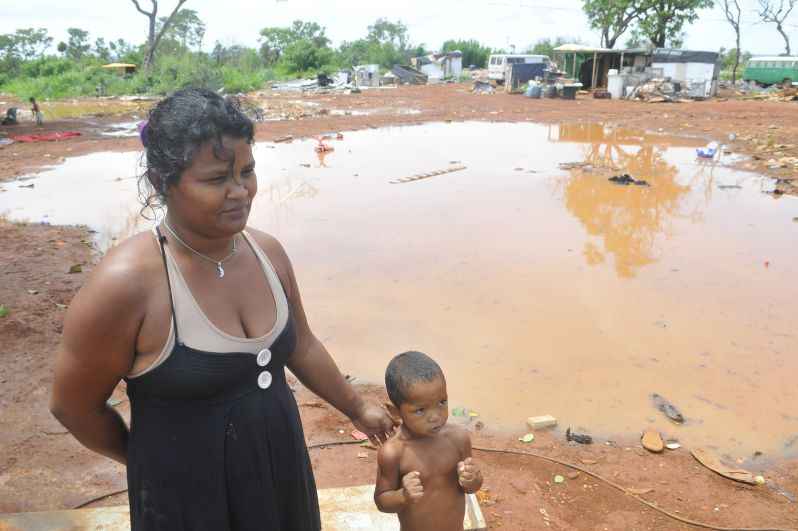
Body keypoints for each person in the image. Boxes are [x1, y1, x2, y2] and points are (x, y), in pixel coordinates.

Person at [49, 88, 397, 531]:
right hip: (187, 504)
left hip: (280, 478)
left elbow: (301, 344)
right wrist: (147, 461)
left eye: (247, 172)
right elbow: (73, 406)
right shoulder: (127, 285)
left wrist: (356, 407)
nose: (240, 192)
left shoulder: (268, 253)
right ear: (162, 182)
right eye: (216, 179)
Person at [375, 351, 483, 531]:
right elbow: (382, 500)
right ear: (395, 412)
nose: (435, 417)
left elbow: (471, 488)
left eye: (442, 402)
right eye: (420, 410)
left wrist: (474, 480)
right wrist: (403, 496)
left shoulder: (458, 439)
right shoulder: (394, 452)